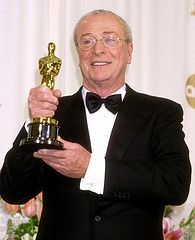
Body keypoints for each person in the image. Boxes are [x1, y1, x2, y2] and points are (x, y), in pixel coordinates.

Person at [0, 9, 191, 240]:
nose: (98, 49)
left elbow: (175, 185)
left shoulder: (162, 113)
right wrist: (35, 120)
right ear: (78, 53)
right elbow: (12, 191)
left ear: (129, 51)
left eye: (110, 39)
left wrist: (91, 167)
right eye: (87, 41)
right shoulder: (53, 112)